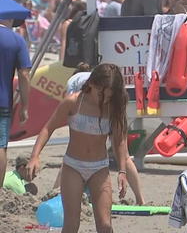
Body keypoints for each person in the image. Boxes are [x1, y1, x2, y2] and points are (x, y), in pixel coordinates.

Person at [26, 64, 129, 232]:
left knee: (105, 225)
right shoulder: (73, 102)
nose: (104, 100)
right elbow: (48, 128)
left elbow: (119, 142)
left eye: (109, 97)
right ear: (92, 84)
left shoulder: (113, 109)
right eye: (101, 94)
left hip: (99, 169)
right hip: (73, 166)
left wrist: (122, 171)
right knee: (72, 224)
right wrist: (35, 156)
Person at [0, 17, 31, 190]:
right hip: (3, 100)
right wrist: (25, 106)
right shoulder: (16, 40)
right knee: (0, 145)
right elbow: (24, 75)